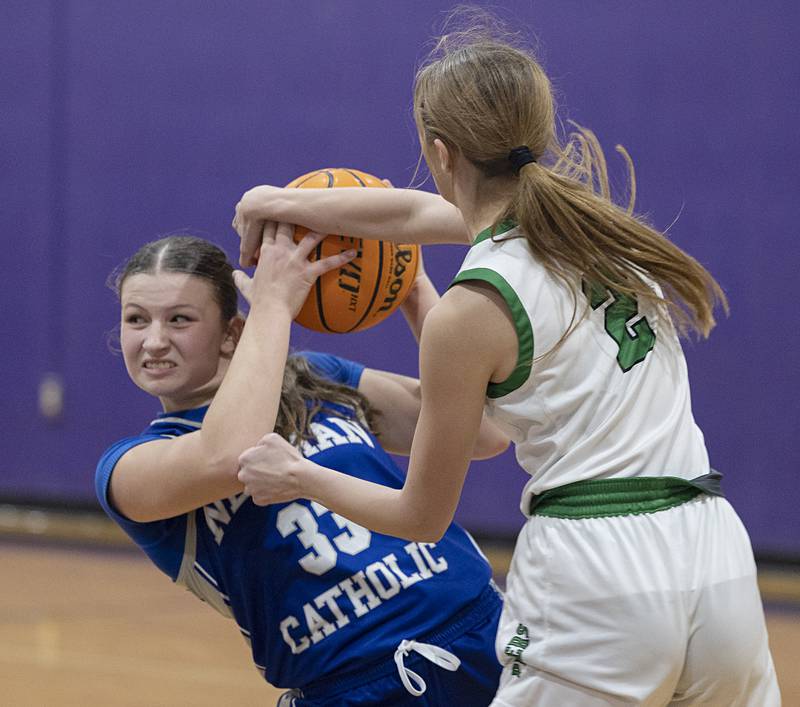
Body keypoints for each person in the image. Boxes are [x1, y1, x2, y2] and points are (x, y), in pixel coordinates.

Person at [230, 20, 781, 707]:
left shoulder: (472, 310)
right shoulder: (590, 228)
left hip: (599, 568)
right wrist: (279, 200)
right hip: (712, 550)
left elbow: (420, 515)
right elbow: (410, 213)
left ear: (440, 152)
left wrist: (298, 473)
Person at [95, 230, 510, 706]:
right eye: (136, 319)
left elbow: (483, 433)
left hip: (483, 635)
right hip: (354, 688)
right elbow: (230, 454)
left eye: (179, 320)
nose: (153, 341)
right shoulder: (128, 468)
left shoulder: (316, 377)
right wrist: (273, 306)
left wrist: (410, 290)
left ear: (231, 332)